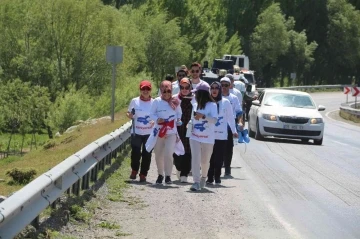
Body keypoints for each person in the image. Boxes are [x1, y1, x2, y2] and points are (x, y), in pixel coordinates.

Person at [150, 80, 182, 185]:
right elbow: (151, 114)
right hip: (159, 131)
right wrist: (157, 119)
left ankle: (168, 175)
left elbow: (178, 113)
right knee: (158, 154)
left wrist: (178, 120)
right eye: (164, 91)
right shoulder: (157, 101)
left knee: (168, 153)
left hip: (171, 131)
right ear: (161, 91)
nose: (167, 94)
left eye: (169, 91)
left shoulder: (175, 101)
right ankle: (160, 174)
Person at [189, 81, 218, 191]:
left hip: (208, 138)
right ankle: (196, 182)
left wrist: (204, 116)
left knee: (205, 161)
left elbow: (214, 120)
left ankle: (203, 177)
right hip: (195, 136)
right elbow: (193, 117)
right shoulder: (195, 104)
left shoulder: (213, 105)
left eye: (196, 93)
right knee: (195, 158)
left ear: (202, 94)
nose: (194, 95)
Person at [207, 81, 237, 185]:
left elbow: (230, 118)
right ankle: (209, 177)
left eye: (217, 88)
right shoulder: (207, 102)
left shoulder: (225, 102)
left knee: (219, 158)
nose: (214, 90)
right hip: (209, 135)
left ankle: (217, 177)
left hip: (221, 135)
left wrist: (234, 131)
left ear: (219, 90)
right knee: (210, 157)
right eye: (212, 88)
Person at [127, 80, 154, 182]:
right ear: (140, 90)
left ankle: (143, 174)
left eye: (148, 89)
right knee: (135, 153)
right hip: (136, 132)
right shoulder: (135, 101)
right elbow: (129, 112)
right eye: (143, 89)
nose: (145, 91)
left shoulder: (154, 102)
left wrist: (153, 121)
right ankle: (134, 170)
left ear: (150, 90)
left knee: (147, 154)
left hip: (149, 133)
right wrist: (130, 115)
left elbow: (157, 115)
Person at [220, 77, 243, 176]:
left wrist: (240, 122)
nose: (224, 87)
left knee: (229, 148)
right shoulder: (215, 97)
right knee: (217, 147)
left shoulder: (234, 98)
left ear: (230, 86)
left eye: (226, 85)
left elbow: (239, 111)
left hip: (230, 125)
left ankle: (228, 169)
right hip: (218, 124)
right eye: (222, 85)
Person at [173, 78, 193, 183]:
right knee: (177, 150)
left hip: (190, 127)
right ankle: (179, 168)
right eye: (182, 87)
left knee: (188, 151)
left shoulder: (195, 99)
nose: (185, 89)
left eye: (187, 87)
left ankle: (185, 173)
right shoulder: (174, 99)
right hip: (177, 127)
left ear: (190, 87)